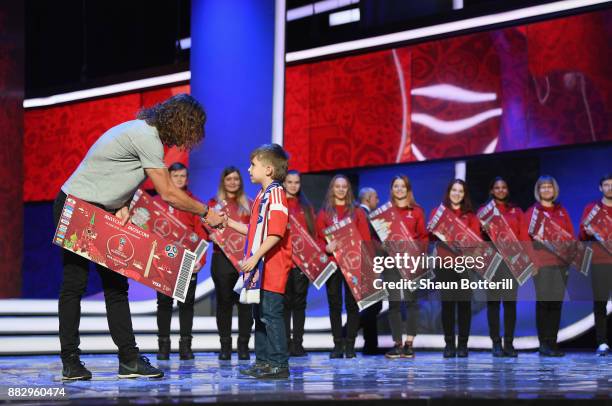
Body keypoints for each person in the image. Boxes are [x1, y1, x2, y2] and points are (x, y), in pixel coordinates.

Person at [54, 94, 224, 380]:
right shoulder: (147, 137)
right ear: (180, 122)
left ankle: (129, 360)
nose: (190, 139)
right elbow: (168, 192)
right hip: (76, 204)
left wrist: (121, 205)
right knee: (75, 283)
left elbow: (117, 172)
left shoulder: (143, 131)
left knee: (116, 286)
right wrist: (206, 213)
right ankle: (70, 361)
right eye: (191, 130)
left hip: (101, 208)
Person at [225, 144, 292, 379]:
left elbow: (276, 233)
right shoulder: (262, 196)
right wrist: (230, 223)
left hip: (272, 266)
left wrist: (254, 258)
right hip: (260, 268)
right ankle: (263, 361)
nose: (249, 169)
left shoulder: (276, 193)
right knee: (259, 315)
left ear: (269, 169)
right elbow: (256, 231)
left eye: (253, 165)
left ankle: (279, 364)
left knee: (271, 314)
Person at [155, 162, 208, 361]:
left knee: (186, 305)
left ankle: (185, 347)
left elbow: (201, 234)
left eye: (183, 176)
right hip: (163, 260)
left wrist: (200, 260)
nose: (179, 179)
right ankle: (163, 346)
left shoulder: (193, 203)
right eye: (175, 176)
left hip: (187, 260)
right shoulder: (158, 202)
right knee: (164, 304)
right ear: (168, 177)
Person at [316, 175, 371, 359]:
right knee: (334, 305)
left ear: (348, 190)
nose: (340, 189)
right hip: (332, 265)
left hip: (353, 265)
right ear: (332, 189)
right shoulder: (324, 212)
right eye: (337, 186)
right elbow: (317, 239)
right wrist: (326, 247)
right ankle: (337, 345)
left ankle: (350, 345)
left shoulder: (357, 212)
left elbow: (365, 240)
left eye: (344, 187)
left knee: (352, 306)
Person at [521, 175, 572, 357]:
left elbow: (569, 237)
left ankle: (553, 343)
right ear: (538, 190)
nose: (546, 190)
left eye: (549, 187)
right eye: (543, 187)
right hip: (541, 265)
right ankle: (544, 344)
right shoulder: (531, 212)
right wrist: (532, 262)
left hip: (560, 264)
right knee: (544, 304)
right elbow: (525, 240)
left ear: (554, 189)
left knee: (556, 304)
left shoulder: (561, 211)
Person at [429, 179, 478, 358]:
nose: (457, 193)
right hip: (445, 266)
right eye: (454, 190)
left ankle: (463, 345)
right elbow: (430, 236)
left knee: (464, 306)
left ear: (464, 195)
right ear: (448, 192)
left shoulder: (471, 216)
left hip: (464, 266)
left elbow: (475, 242)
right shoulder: (438, 212)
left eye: (461, 191)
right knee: (447, 305)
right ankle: (449, 345)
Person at [208, 166, 254, 360]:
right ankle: (225, 347)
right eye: (229, 179)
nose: (233, 182)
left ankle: (243, 346)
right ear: (223, 182)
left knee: (245, 305)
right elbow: (205, 228)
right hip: (222, 260)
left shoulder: (249, 204)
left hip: (245, 261)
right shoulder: (213, 203)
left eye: (236, 179)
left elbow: (255, 230)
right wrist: (211, 235)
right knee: (224, 304)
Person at [383, 175, 427, 359]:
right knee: (393, 304)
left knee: (411, 303)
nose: (399, 189)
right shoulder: (384, 212)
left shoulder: (416, 211)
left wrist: (418, 253)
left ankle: (409, 344)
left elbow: (424, 237)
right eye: (396, 186)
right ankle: (397, 344)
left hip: (411, 263)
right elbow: (379, 240)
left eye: (403, 186)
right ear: (392, 189)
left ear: (408, 189)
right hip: (391, 263)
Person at [478, 177, 521, 357]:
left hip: (512, 262)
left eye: (504, 187)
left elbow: (523, 236)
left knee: (510, 304)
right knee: (493, 304)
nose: (501, 190)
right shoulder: (483, 212)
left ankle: (509, 343)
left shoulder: (516, 211)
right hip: (492, 263)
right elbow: (477, 239)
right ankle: (496, 343)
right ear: (491, 191)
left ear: (508, 190)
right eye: (497, 187)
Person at [579, 174, 612, 356]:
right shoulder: (592, 209)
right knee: (600, 303)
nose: (609, 188)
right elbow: (581, 236)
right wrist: (588, 232)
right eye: (606, 185)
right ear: (600, 188)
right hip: (600, 262)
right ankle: (602, 342)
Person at [283, 170, 316, 357]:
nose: (293, 185)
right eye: (290, 182)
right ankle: (286, 343)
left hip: (302, 265)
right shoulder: (278, 205)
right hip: (283, 262)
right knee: (285, 305)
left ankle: (298, 343)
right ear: (284, 183)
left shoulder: (307, 208)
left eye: (296, 182)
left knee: (300, 305)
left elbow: (314, 236)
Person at [357, 187, 383, 355]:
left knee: (374, 304)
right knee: (373, 305)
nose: (378, 200)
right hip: (366, 263)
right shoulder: (363, 214)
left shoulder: (363, 214)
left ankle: (371, 346)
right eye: (376, 197)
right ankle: (347, 332)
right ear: (368, 198)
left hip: (368, 263)